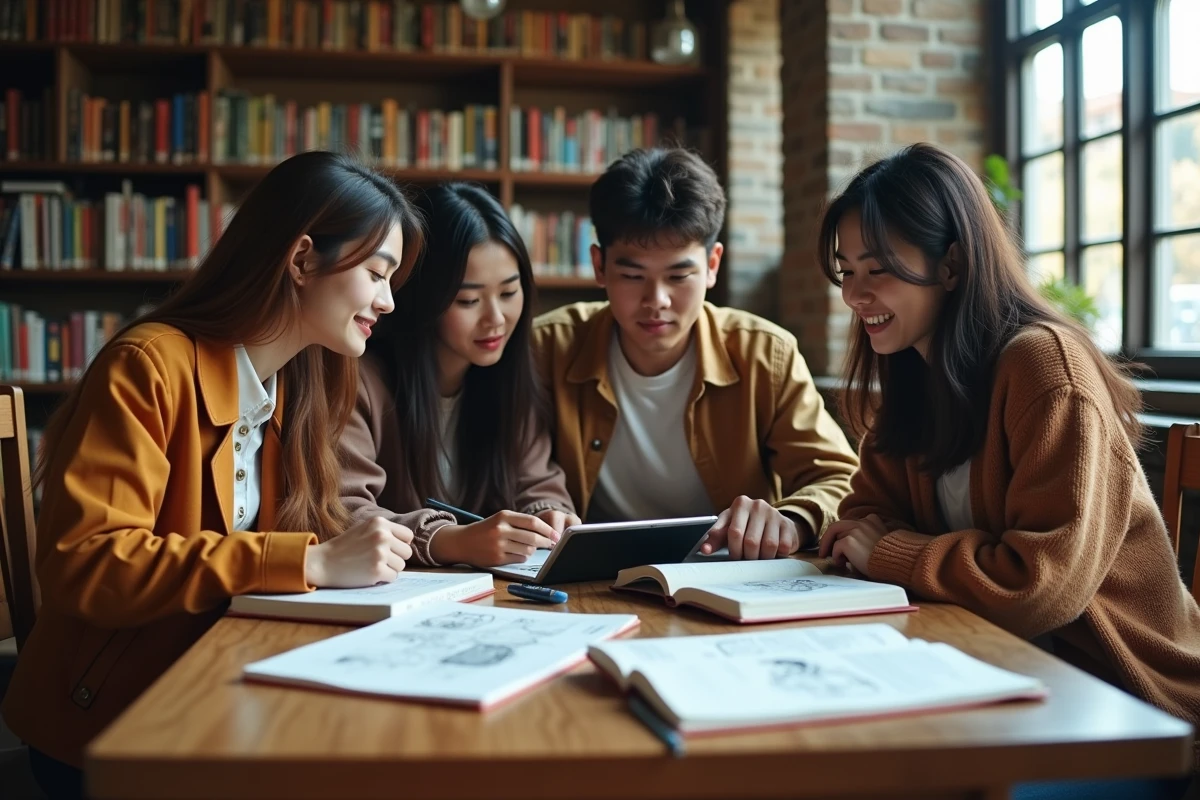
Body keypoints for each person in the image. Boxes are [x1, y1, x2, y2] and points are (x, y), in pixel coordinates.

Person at [2, 151, 423, 799]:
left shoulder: (299, 384)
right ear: (302, 258)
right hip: (110, 727)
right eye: (376, 272)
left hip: (218, 695)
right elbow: (88, 562)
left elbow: (316, 538)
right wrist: (308, 563)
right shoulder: (149, 365)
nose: (389, 301)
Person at [816, 143, 1200, 799]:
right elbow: (860, 522)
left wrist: (900, 555)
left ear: (953, 264)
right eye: (845, 271)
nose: (854, 294)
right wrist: (884, 548)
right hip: (989, 671)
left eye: (877, 270)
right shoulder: (911, 371)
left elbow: (1041, 588)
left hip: (1122, 705)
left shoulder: (1045, 368)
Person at [533, 147, 859, 559]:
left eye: (679, 275)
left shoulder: (764, 353)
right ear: (599, 266)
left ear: (712, 264)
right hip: (591, 579)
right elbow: (516, 469)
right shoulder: (548, 347)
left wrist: (791, 519)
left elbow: (840, 478)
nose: (657, 301)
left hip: (726, 574)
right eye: (633, 276)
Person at [339, 182, 576, 568]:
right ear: (426, 295)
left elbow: (536, 482)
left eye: (509, 293)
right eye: (469, 300)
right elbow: (342, 508)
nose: (496, 319)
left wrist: (548, 515)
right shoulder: (359, 379)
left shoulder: (508, 376)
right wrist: (448, 540)